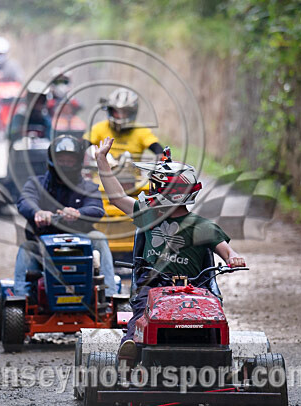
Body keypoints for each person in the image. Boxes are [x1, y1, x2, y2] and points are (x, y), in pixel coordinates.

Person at [94, 136, 246, 364]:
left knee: (210, 318)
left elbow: (226, 251)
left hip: (195, 289)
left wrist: (234, 258)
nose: (150, 191)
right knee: (141, 313)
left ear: (171, 192)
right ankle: (131, 346)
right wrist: (101, 160)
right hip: (152, 284)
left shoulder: (202, 226)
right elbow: (117, 198)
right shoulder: (148, 216)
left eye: (156, 187)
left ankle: (216, 355)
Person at [14, 135, 117, 298]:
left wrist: (79, 213)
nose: (65, 165)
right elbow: (24, 201)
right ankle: (21, 297)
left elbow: (96, 208)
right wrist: (38, 212)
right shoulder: (36, 183)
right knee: (26, 248)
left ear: (78, 162)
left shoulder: (89, 187)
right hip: (42, 241)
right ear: (52, 160)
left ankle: (110, 296)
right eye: (61, 160)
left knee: (99, 238)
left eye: (69, 161)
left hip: (81, 240)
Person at [84, 88, 165, 159]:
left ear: (132, 112)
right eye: (116, 111)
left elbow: (157, 148)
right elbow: (83, 145)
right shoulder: (99, 128)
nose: (120, 115)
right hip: (101, 171)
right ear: (110, 110)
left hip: (133, 172)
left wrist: (162, 157)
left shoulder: (141, 131)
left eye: (124, 111)